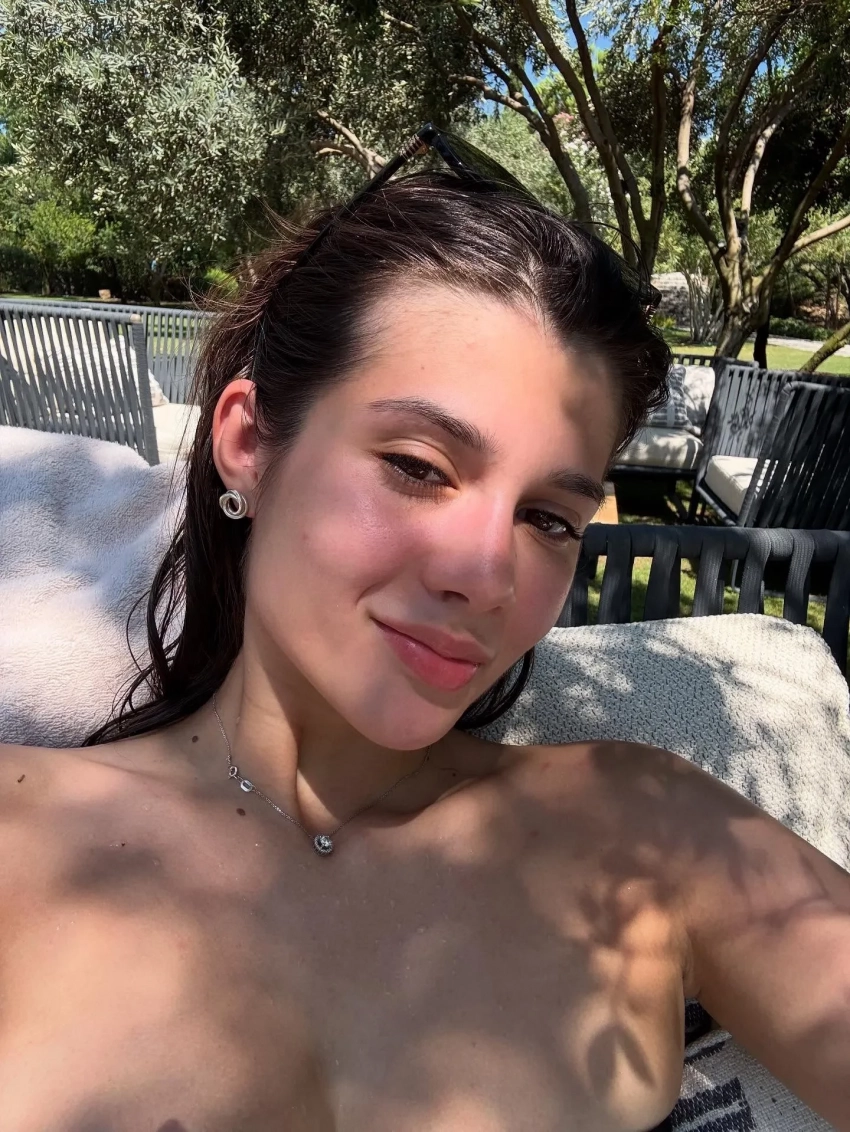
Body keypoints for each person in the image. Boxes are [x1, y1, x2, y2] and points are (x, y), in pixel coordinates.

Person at [1, 128, 848, 1132]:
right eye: (416, 466)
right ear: (249, 443)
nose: (486, 574)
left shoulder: (645, 830)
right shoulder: (24, 838)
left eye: (549, 519)